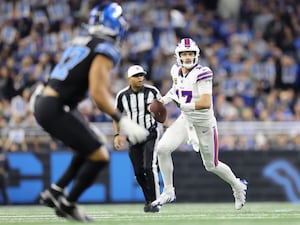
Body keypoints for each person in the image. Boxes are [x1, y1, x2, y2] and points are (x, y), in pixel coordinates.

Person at [33, 2, 148, 221]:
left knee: (91, 145)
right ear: (114, 23)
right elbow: (97, 93)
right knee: (100, 156)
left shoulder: (81, 40)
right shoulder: (105, 48)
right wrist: (122, 120)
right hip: (56, 106)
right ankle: (67, 203)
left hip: (50, 102)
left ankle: (56, 191)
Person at [151, 38, 248, 210]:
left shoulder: (203, 73)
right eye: (184, 54)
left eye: (190, 53)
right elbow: (176, 90)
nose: (188, 57)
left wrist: (182, 105)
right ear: (178, 56)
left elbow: (205, 102)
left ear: (196, 55)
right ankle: (168, 191)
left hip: (203, 123)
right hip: (186, 119)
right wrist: (163, 100)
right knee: (162, 149)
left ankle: (237, 186)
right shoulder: (176, 70)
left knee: (212, 165)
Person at [113, 65, 167, 213]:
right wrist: (117, 135)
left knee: (149, 167)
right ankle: (149, 200)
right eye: (137, 76)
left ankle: (156, 202)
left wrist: (166, 125)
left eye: (142, 75)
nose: (140, 78)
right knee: (138, 172)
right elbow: (116, 116)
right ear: (129, 79)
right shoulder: (122, 95)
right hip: (133, 137)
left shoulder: (152, 91)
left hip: (150, 133)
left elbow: (162, 110)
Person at [0, 139, 10, 205]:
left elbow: (8, 164)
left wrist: (3, 170)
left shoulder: (4, 152)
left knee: (4, 191)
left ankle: (8, 205)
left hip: (2, 174)